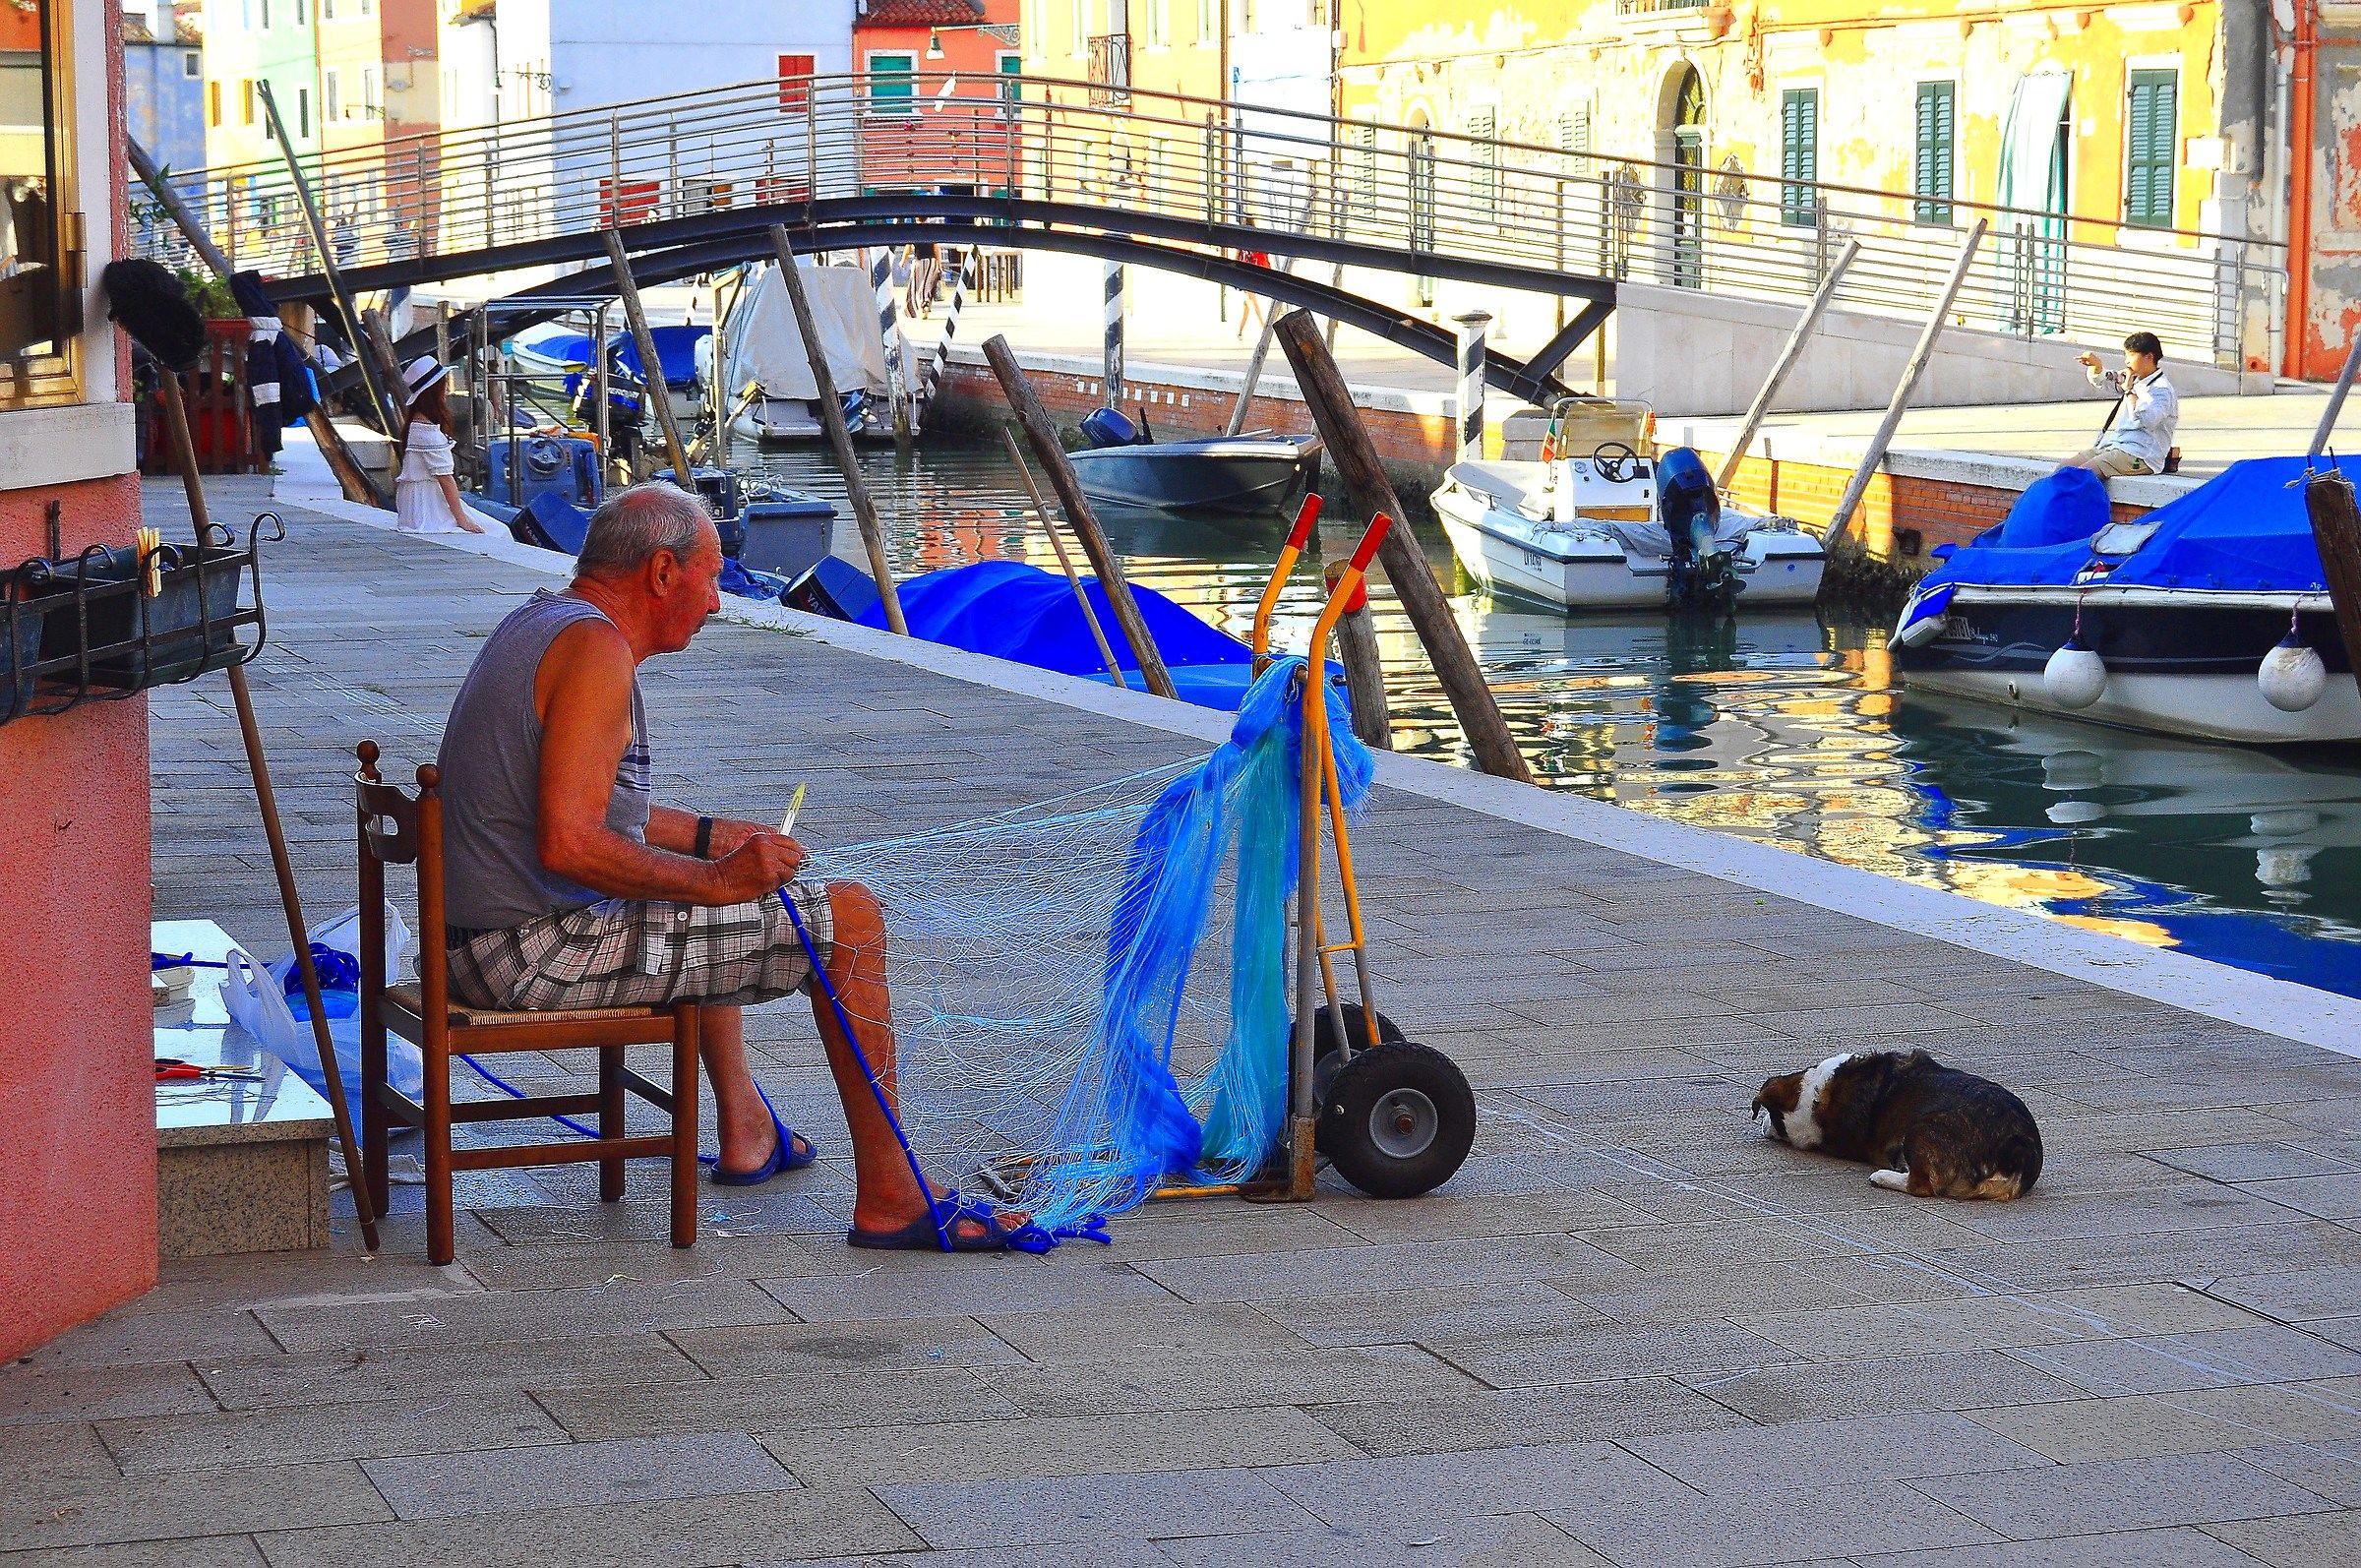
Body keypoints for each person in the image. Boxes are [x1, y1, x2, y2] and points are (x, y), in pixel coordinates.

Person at [435, 483, 1025, 1249]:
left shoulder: (545, 621)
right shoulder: (596, 651)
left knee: (716, 910)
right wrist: (717, 881)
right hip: (529, 953)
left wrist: (713, 839)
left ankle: (747, 1127)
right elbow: (569, 844)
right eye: (710, 578)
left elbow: (589, 807)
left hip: (482, 936)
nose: (715, 603)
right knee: (847, 918)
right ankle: (891, 1193)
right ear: (660, 572)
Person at [393, 357, 487, 536]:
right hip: (427, 506)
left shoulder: (416, 423)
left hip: (418, 501)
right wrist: (462, 520)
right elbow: (445, 479)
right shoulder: (427, 432)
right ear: (434, 392)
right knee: (498, 531)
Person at [2065, 332, 2178, 478]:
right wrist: (2097, 366)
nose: (2127, 361)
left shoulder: (2162, 390)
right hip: (2116, 446)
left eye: (2131, 356)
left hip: (2141, 455)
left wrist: (2129, 391)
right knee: (2064, 469)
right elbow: (2104, 381)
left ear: (2149, 357)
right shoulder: (2136, 378)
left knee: (2082, 474)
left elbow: (2149, 420)